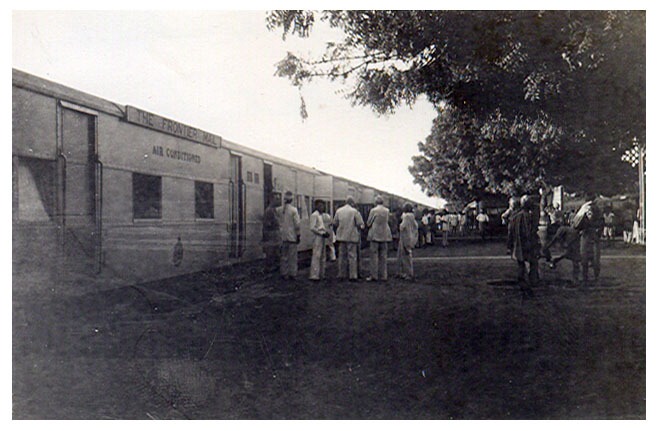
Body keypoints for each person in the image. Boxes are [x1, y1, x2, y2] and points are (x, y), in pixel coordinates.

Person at [508, 195, 540, 289]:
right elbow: (533, 230)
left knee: (521, 263)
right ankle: (533, 281)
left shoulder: (515, 217)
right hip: (529, 243)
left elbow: (511, 232)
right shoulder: (531, 217)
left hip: (518, 244)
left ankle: (521, 280)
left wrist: (509, 245)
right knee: (533, 262)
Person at [572, 193, 602, 284]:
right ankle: (594, 277)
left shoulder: (584, 208)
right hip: (593, 234)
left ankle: (586, 277)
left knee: (585, 256)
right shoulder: (597, 209)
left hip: (586, 234)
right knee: (594, 257)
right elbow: (601, 222)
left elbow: (576, 224)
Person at [333, 196, 365, 281]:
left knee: (342, 256)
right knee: (352, 256)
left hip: (341, 236)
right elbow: (360, 224)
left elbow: (335, 223)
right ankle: (353, 275)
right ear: (352, 203)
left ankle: (341, 274)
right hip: (352, 236)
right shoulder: (355, 211)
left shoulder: (339, 211)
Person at [366, 195, 393, 281]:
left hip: (375, 234)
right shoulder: (387, 210)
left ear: (375, 202)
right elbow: (388, 221)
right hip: (385, 234)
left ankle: (374, 275)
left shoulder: (373, 210)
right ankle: (384, 275)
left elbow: (369, 222)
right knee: (383, 256)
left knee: (374, 255)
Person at [277, 191, 301, 280]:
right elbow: (297, 224)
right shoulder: (294, 210)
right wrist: (298, 235)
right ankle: (292, 273)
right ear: (291, 200)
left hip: (283, 237)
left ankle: (284, 273)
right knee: (292, 257)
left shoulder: (279, 210)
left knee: (284, 256)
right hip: (292, 237)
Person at [309, 200, 331, 281]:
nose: (322, 207)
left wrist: (325, 232)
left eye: (323, 206)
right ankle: (314, 275)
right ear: (316, 206)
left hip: (322, 236)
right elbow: (312, 227)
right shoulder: (314, 215)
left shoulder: (322, 216)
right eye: (320, 205)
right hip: (317, 237)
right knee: (316, 255)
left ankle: (321, 273)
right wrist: (321, 233)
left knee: (323, 255)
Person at [398, 203, 418, 280]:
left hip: (405, 237)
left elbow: (402, 226)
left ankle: (408, 273)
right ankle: (407, 272)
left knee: (405, 256)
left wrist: (400, 223)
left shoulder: (406, 216)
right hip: (411, 237)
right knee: (408, 254)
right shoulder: (413, 217)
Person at [262, 194, 281, 273]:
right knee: (270, 252)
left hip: (274, 233)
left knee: (275, 251)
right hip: (271, 233)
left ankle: (273, 267)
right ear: (271, 199)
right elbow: (267, 223)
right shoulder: (269, 210)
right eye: (276, 199)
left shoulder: (273, 210)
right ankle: (268, 268)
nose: (278, 201)